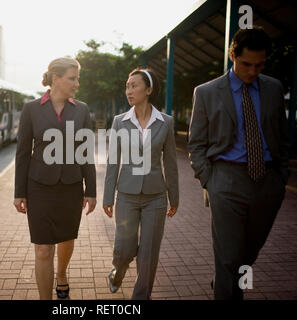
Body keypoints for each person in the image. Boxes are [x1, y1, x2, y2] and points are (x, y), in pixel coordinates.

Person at [187, 27, 289, 300]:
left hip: (268, 182)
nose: (253, 71)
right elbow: (196, 143)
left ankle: (227, 282)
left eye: (259, 64)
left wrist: (281, 178)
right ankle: (227, 290)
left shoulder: (273, 88)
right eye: (246, 64)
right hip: (226, 179)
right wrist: (209, 180)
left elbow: (282, 134)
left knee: (248, 253)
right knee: (229, 254)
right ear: (233, 55)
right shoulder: (207, 92)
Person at [13, 57, 97, 300]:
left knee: (67, 239)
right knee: (42, 249)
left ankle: (62, 274)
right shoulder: (31, 109)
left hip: (71, 186)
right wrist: (19, 192)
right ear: (55, 79)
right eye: (72, 78)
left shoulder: (81, 109)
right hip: (38, 186)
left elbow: (86, 151)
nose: (77, 83)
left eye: (77, 78)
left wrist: (90, 189)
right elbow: (22, 152)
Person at [103, 68, 179, 300]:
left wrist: (174, 198)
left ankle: (140, 299)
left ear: (149, 89)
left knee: (148, 255)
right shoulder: (119, 122)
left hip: (156, 197)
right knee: (124, 248)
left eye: (134, 85)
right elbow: (113, 162)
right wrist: (107, 197)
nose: (129, 90)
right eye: (127, 86)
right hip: (126, 194)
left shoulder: (165, 122)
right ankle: (118, 271)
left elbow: (171, 163)